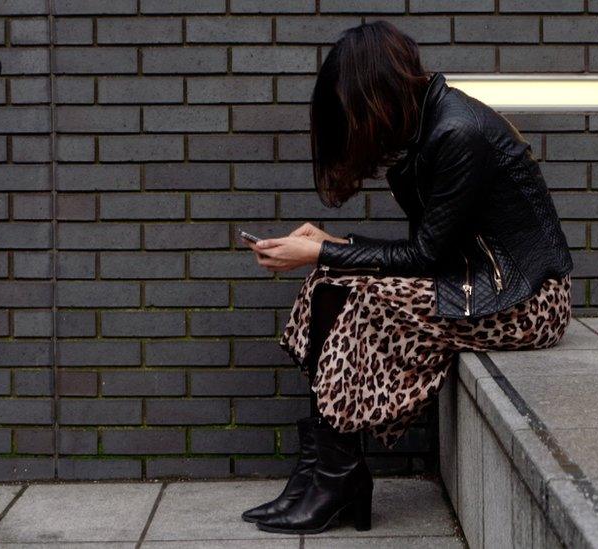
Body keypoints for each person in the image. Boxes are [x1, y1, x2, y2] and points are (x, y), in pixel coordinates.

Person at [240, 20, 573, 535]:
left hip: (527, 304)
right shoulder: (429, 126)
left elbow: (423, 256)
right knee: (328, 285)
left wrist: (327, 249)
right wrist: (329, 250)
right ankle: (323, 474)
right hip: (474, 283)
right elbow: (431, 253)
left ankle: (337, 478)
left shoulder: (458, 132)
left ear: (376, 92)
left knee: (361, 299)